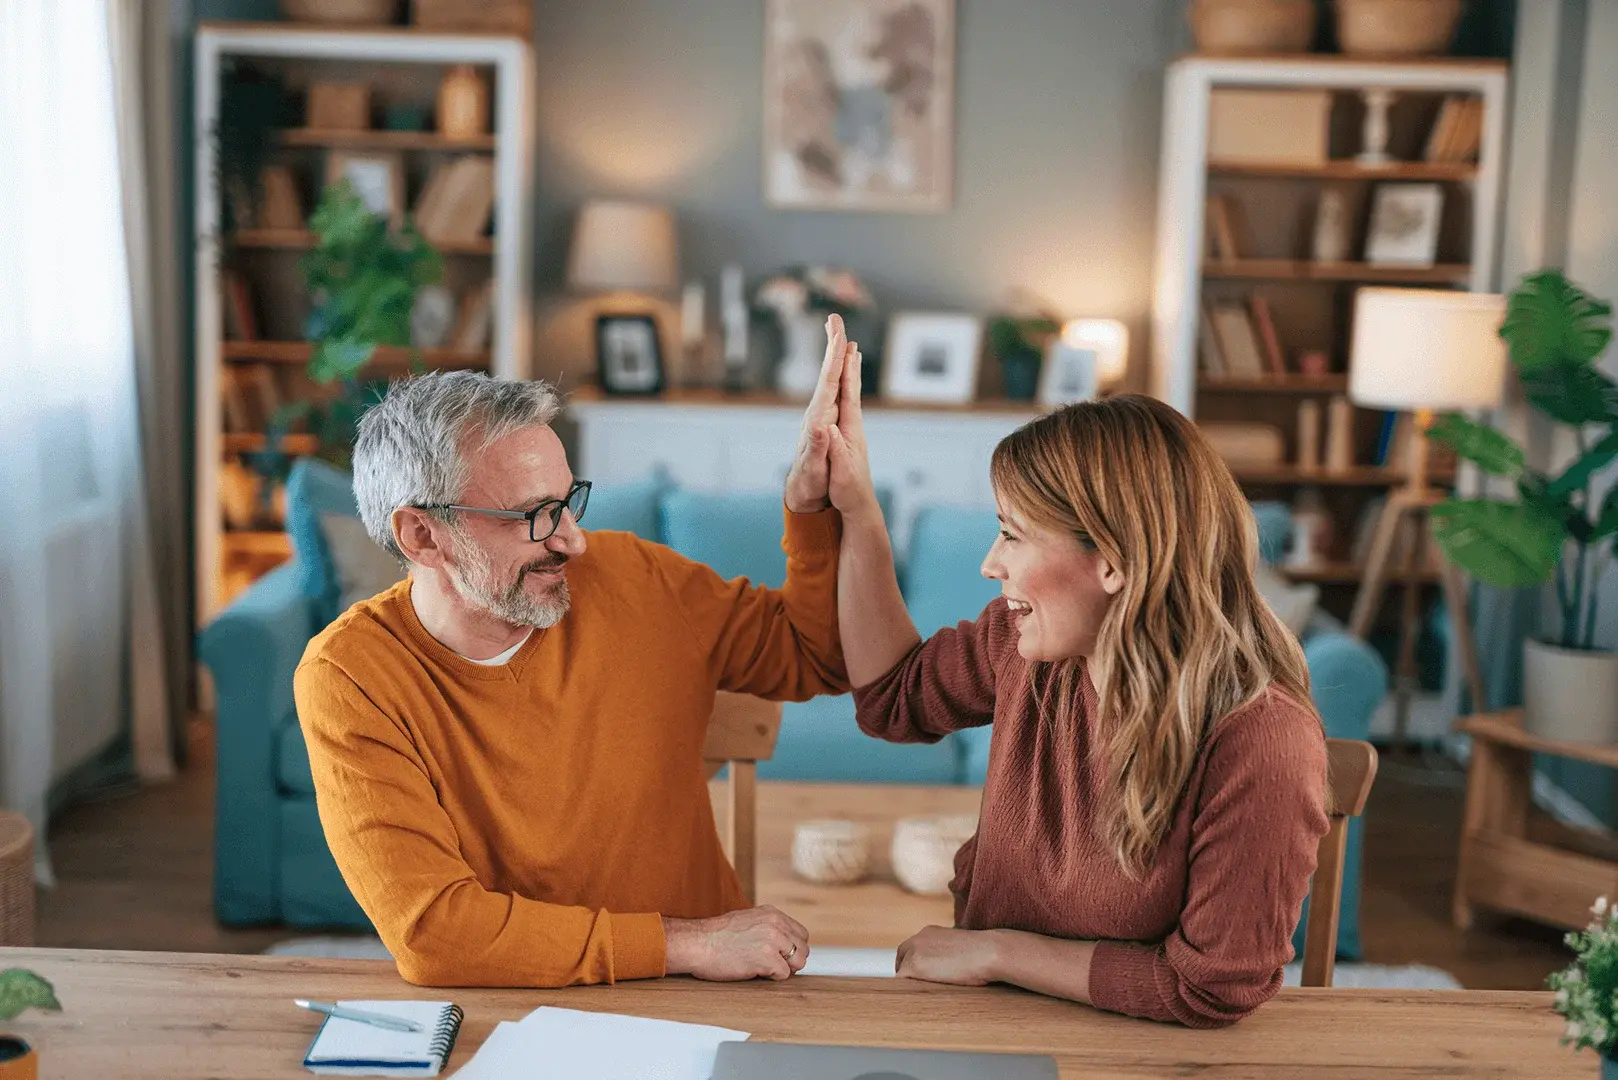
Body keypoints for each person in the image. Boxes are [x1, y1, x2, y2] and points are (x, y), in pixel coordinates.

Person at [293, 316, 860, 988]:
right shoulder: (352, 676)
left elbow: (819, 654)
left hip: (713, 995)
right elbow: (436, 934)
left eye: (569, 502)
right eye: (534, 515)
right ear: (421, 536)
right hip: (529, 1003)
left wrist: (813, 510)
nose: (573, 540)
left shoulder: (636, 577)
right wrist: (683, 944)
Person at [821, 364, 1329, 1028]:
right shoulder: (1026, 646)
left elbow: (1211, 987)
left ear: (1113, 561)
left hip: (1152, 1056)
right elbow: (893, 697)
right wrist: (857, 507)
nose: (990, 564)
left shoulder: (1261, 740)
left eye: (1013, 533)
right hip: (990, 1031)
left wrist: (999, 953)